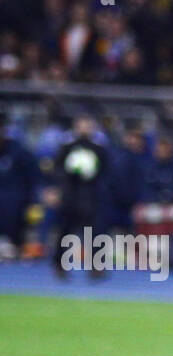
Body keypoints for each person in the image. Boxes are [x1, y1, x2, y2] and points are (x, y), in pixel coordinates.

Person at [52, 114, 111, 277]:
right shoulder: (67, 145)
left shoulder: (99, 146)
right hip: (70, 194)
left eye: (88, 123)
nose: (84, 127)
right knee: (65, 229)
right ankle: (59, 264)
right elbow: (58, 168)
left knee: (94, 231)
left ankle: (97, 265)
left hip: (91, 195)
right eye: (82, 123)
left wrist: (92, 174)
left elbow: (107, 170)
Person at [0, 116, 41, 257]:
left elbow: (34, 177)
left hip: (15, 206)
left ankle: (14, 246)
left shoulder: (19, 152)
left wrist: (34, 201)